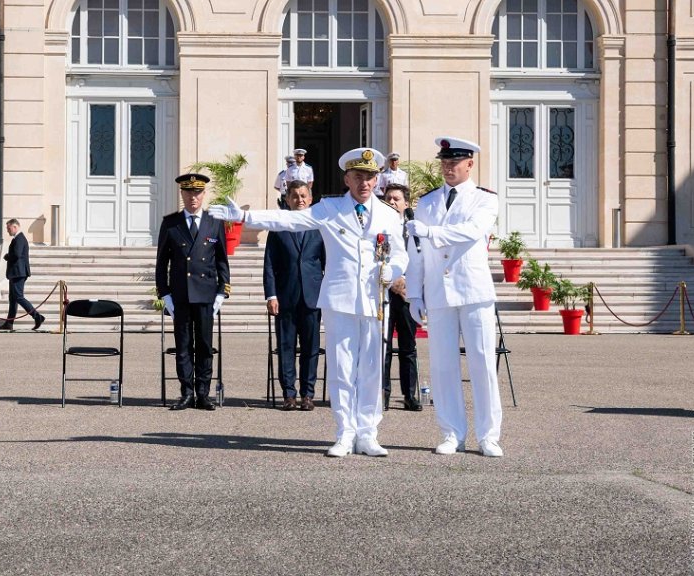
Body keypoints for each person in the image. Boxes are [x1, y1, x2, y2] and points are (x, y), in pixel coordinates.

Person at [210, 148, 407, 457]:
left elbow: (400, 254)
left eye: (370, 177)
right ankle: (345, 433)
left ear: (378, 179)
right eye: (358, 177)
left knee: (371, 369)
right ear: (347, 179)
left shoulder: (388, 214)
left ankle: (368, 432)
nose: (364, 183)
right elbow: (289, 220)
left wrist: (393, 272)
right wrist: (246, 217)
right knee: (342, 369)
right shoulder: (330, 208)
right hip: (340, 298)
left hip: (375, 300)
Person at [405, 136, 503, 458]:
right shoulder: (428, 202)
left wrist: (431, 232)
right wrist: (415, 294)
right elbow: (416, 253)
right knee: (443, 366)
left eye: (454, 162)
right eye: (444, 162)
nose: (448, 168)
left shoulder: (485, 199)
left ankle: (488, 435)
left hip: (473, 290)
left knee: (482, 363)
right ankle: (451, 432)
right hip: (438, 292)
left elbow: (473, 231)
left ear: (469, 164)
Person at [156, 173, 230, 411]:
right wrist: (165, 295)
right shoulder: (171, 223)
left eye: (197, 192)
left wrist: (221, 292)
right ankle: (186, 392)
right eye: (188, 193)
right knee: (184, 345)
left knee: (205, 346)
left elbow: (222, 261)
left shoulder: (213, 222)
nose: (193, 197)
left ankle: (203, 393)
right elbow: (161, 263)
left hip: (206, 294)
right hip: (181, 295)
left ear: (203, 194)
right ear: (182, 194)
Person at [263, 180, 325, 411]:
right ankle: (288, 394)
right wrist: (271, 295)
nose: (299, 200)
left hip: (312, 297)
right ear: (287, 200)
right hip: (286, 296)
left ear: (310, 199)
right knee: (286, 347)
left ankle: (308, 394)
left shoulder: (319, 226)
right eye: (295, 196)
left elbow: (327, 263)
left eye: (303, 196)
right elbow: (269, 264)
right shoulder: (279, 226)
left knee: (311, 348)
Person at [380, 183, 421, 412]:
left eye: (396, 198)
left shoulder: (414, 230)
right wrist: (392, 280)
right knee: (383, 346)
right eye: (388, 198)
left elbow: (421, 259)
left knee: (408, 346)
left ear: (406, 203)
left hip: (408, 294)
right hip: (385, 291)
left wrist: (406, 281)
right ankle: (383, 393)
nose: (392, 202)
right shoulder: (379, 226)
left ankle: (409, 394)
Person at [0, 218, 44, 331]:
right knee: (13, 299)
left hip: (18, 273)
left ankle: (37, 317)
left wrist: (7, 256)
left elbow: (16, 255)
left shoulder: (19, 239)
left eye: (8, 228)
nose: (7, 231)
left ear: (15, 227)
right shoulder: (18, 239)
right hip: (16, 273)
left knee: (18, 297)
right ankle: (9, 323)